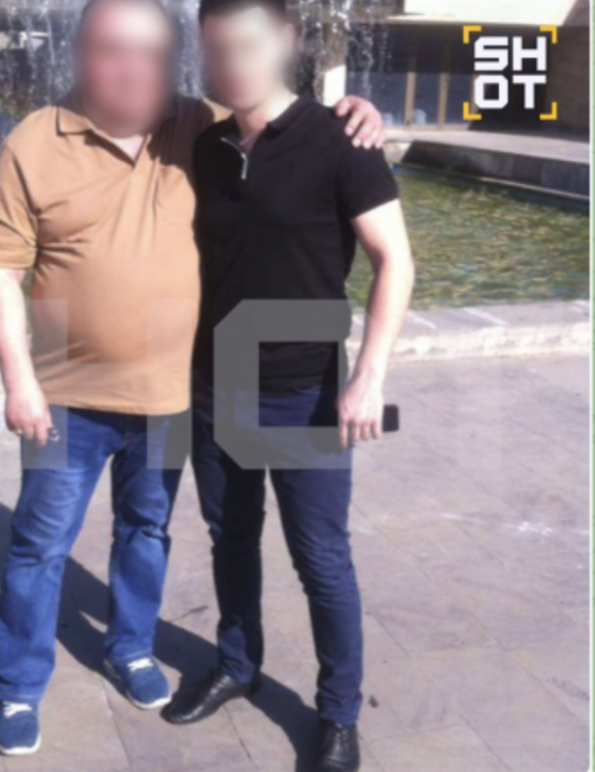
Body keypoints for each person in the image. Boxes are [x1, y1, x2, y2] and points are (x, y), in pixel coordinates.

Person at [0, 0, 385, 756]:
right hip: (70, 396)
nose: (132, 68)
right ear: (80, 51)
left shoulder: (195, 123)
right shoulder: (36, 141)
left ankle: (140, 651)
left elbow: (281, 116)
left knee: (157, 532)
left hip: (182, 395)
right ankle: (19, 686)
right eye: (112, 49)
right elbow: (0, 269)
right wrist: (18, 381)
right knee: (42, 545)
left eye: (152, 53)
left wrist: (352, 111)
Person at [159, 0, 415, 770]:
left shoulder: (343, 141)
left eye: (247, 46)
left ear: (287, 41)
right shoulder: (208, 146)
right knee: (231, 538)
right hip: (219, 379)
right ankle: (238, 664)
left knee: (320, 560)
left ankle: (338, 713)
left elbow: (395, 263)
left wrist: (368, 378)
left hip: (305, 389)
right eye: (216, 49)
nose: (232, 64)